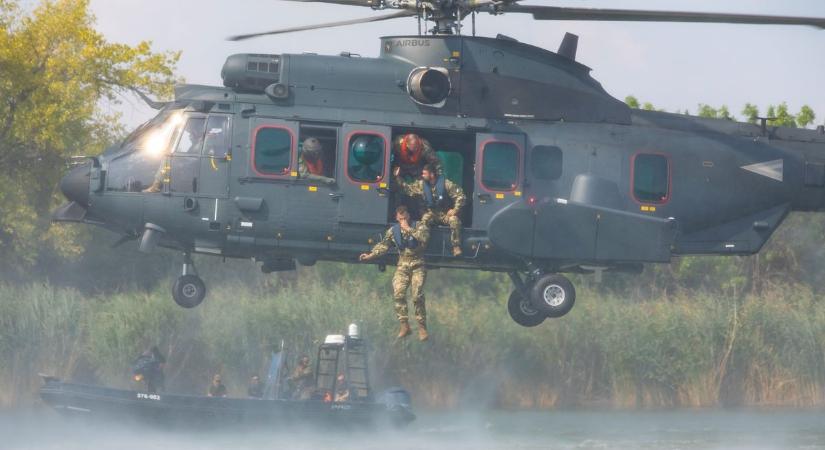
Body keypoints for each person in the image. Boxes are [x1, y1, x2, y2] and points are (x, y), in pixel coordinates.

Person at [359, 205, 431, 341]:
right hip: (402, 265)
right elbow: (384, 245)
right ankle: (404, 325)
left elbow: (424, 238)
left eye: (404, 218)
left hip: (418, 265)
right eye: (400, 218)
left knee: (417, 295)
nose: (402, 220)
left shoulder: (419, 226)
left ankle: (422, 327)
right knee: (398, 293)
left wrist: (408, 229)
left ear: (409, 216)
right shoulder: (394, 231)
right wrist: (370, 255)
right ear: (396, 218)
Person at [394, 163, 466, 256]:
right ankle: (422, 247)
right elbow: (408, 189)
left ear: (431, 174)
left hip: (444, 214)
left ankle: (456, 247)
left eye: (424, 174)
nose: (422, 176)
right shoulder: (421, 185)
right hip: (430, 213)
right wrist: (397, 177)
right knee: (425, 220)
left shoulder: (446, 184)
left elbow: (461, 196)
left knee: (454, 220)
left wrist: (455, 210)